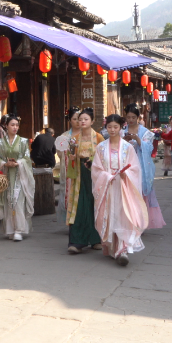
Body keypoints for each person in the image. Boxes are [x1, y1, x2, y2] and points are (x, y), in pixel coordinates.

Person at [92, 114, 149, 266]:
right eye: (109, 127)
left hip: (123, 187)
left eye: (115, 127)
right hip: (108, 186)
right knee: (110, 215)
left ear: (120, 127)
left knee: (124, 215)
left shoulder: (127, 147)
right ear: (106, 127)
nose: (112, 130)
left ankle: (123, 249)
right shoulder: (101, 147)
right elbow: (96, 169)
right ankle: (112, 247)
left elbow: (135, 168)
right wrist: (106, 176)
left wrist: (126, 174)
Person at [55, 107, 104, 254]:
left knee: (94, 205)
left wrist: (93, 161)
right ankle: (77, 241)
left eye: (85, 119)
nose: (82, 121)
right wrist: (71, 157)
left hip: (94, 176)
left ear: (92, 121)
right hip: (79, 176)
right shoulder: (74, 139)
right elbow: (69, 156)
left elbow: (104, 157)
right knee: (79, 206)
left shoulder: (99, 138)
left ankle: (96, 239)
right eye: (80, 119)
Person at [0, 115, 36, 241]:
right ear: (6, 126)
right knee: (8, 201)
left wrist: (18, 163)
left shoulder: (23, 142)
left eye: (17, 125)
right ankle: (10, 229)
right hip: (6, 176)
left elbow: (27, 158)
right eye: (12, 125)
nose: (15, 127)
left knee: (18, 201)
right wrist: (5, 164)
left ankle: (19, 230)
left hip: (20, 176)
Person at [122, 105, 166, 230]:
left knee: (140, 194)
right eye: (128, 117)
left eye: (133, 117)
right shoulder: (122, 131)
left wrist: (138, 140)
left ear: (138, 117)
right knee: (127, 194)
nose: (131, 120)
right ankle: (129, 221)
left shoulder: (145, 132)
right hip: (126, 166)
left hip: (140, 166)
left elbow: (149, 148)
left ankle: (140, 222)